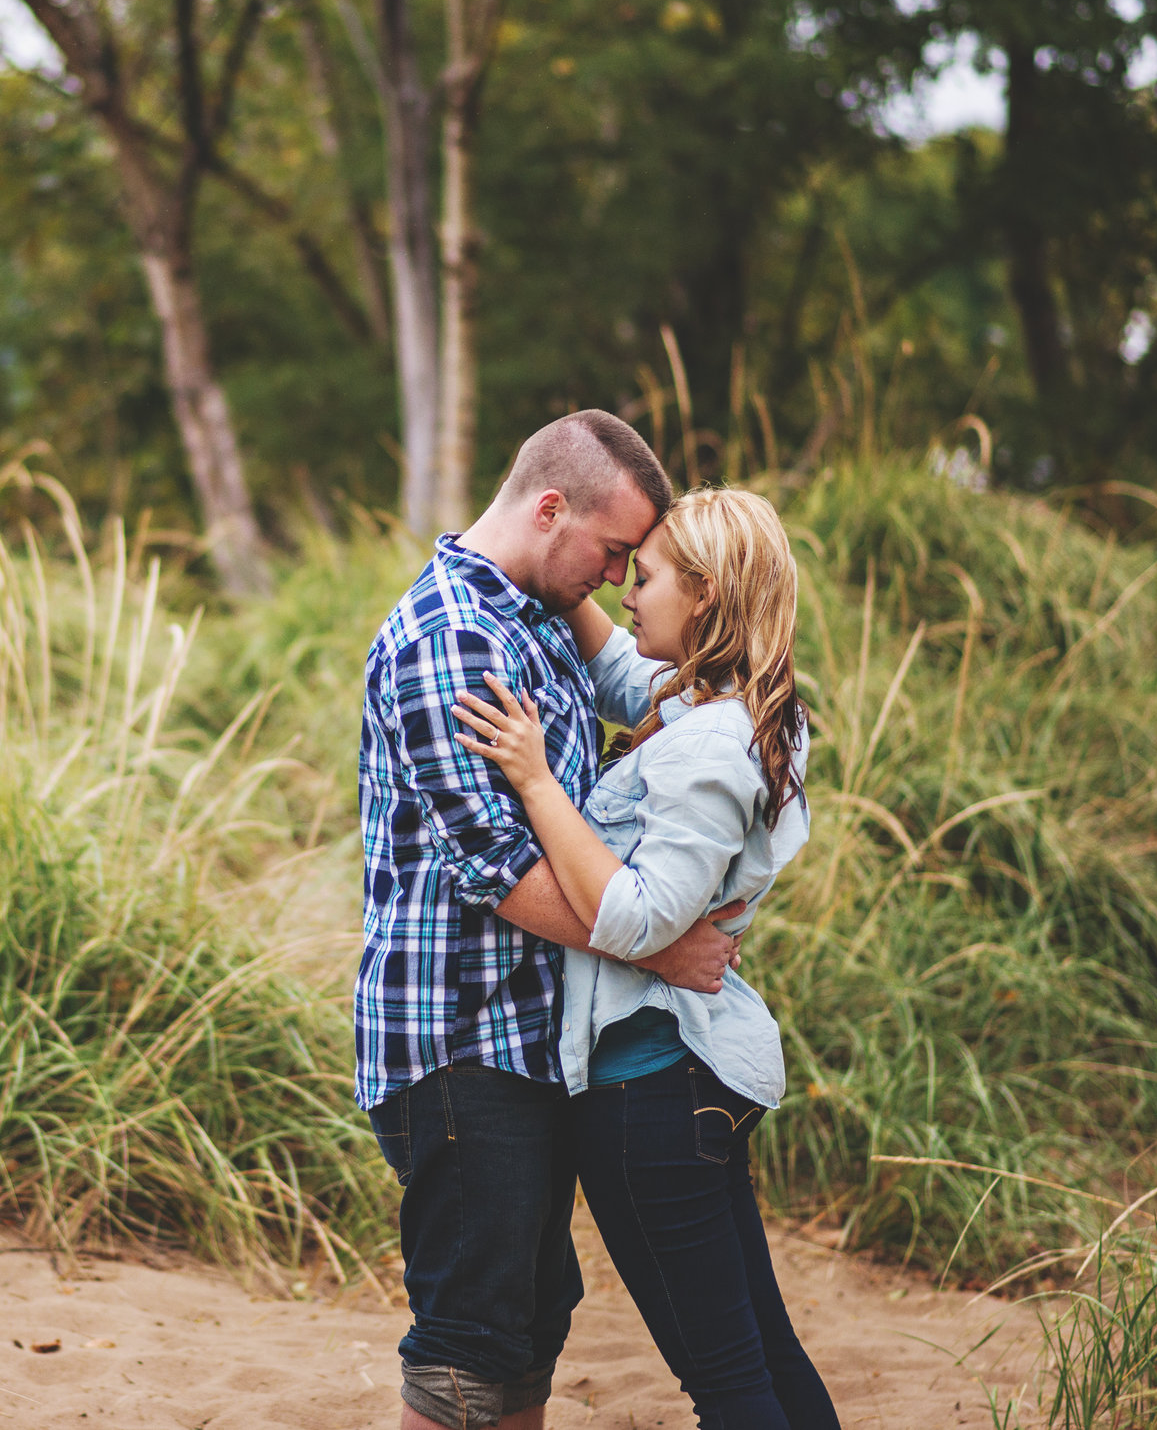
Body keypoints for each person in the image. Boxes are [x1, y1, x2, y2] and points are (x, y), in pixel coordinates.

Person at [357, 411, 748, 1430]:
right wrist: (660, 946)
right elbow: (501, 870)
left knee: (531, 1319)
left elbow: (648, 679)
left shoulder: (534, 606)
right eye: (613, 551)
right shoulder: (452, 634)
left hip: (523, 1041)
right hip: (457, 1037)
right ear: (546, 509)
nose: (619, 577)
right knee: (467, 1338)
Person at [451, 484, 838, 1430]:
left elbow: (635, 917)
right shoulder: (729, 707)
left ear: (703, 596)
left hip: (647, 1100)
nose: (625, 586)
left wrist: (540, 783)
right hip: (677, 1083)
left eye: (648, 572)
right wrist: (527, 548)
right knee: (763, 1356)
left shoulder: (707, 747)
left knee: (729, 1383)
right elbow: (626, 665)